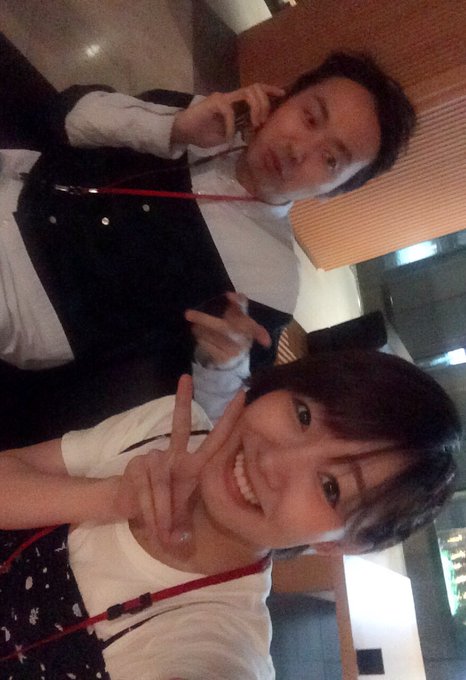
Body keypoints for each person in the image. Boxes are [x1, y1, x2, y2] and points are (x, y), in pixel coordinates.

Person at [0, 303, 460, 678]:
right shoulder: (165, 426)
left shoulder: (223, 642)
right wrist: (109, 497)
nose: (273, 462)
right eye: (302, 416)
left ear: (340, 543)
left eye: (330, 487)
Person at [0, 51, 416, 446]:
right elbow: (63, 115)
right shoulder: (207, 118)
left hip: (22, 305)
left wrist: (225, 361)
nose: (297, 150)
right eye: (309, 117)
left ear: (332, 192)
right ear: (281, 100)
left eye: (330, 160)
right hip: (14, 180)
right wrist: (175, 128)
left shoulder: (269, 283)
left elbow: (211, 421)